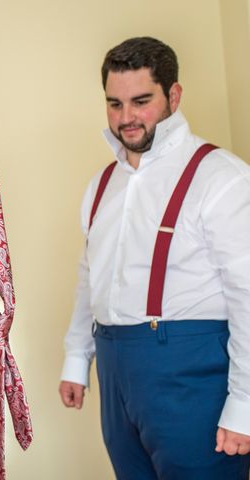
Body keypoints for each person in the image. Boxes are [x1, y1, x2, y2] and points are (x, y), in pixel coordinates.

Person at [58, 36, 250, 479]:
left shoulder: (220, 177)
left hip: (192, 371)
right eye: (114, 103)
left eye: (141, 101)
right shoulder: (101, 185)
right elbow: (91, 277)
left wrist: (243, 405)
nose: (126, 118)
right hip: (114, 367)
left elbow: (246, 297)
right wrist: (76, 359)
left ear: (174, 95)